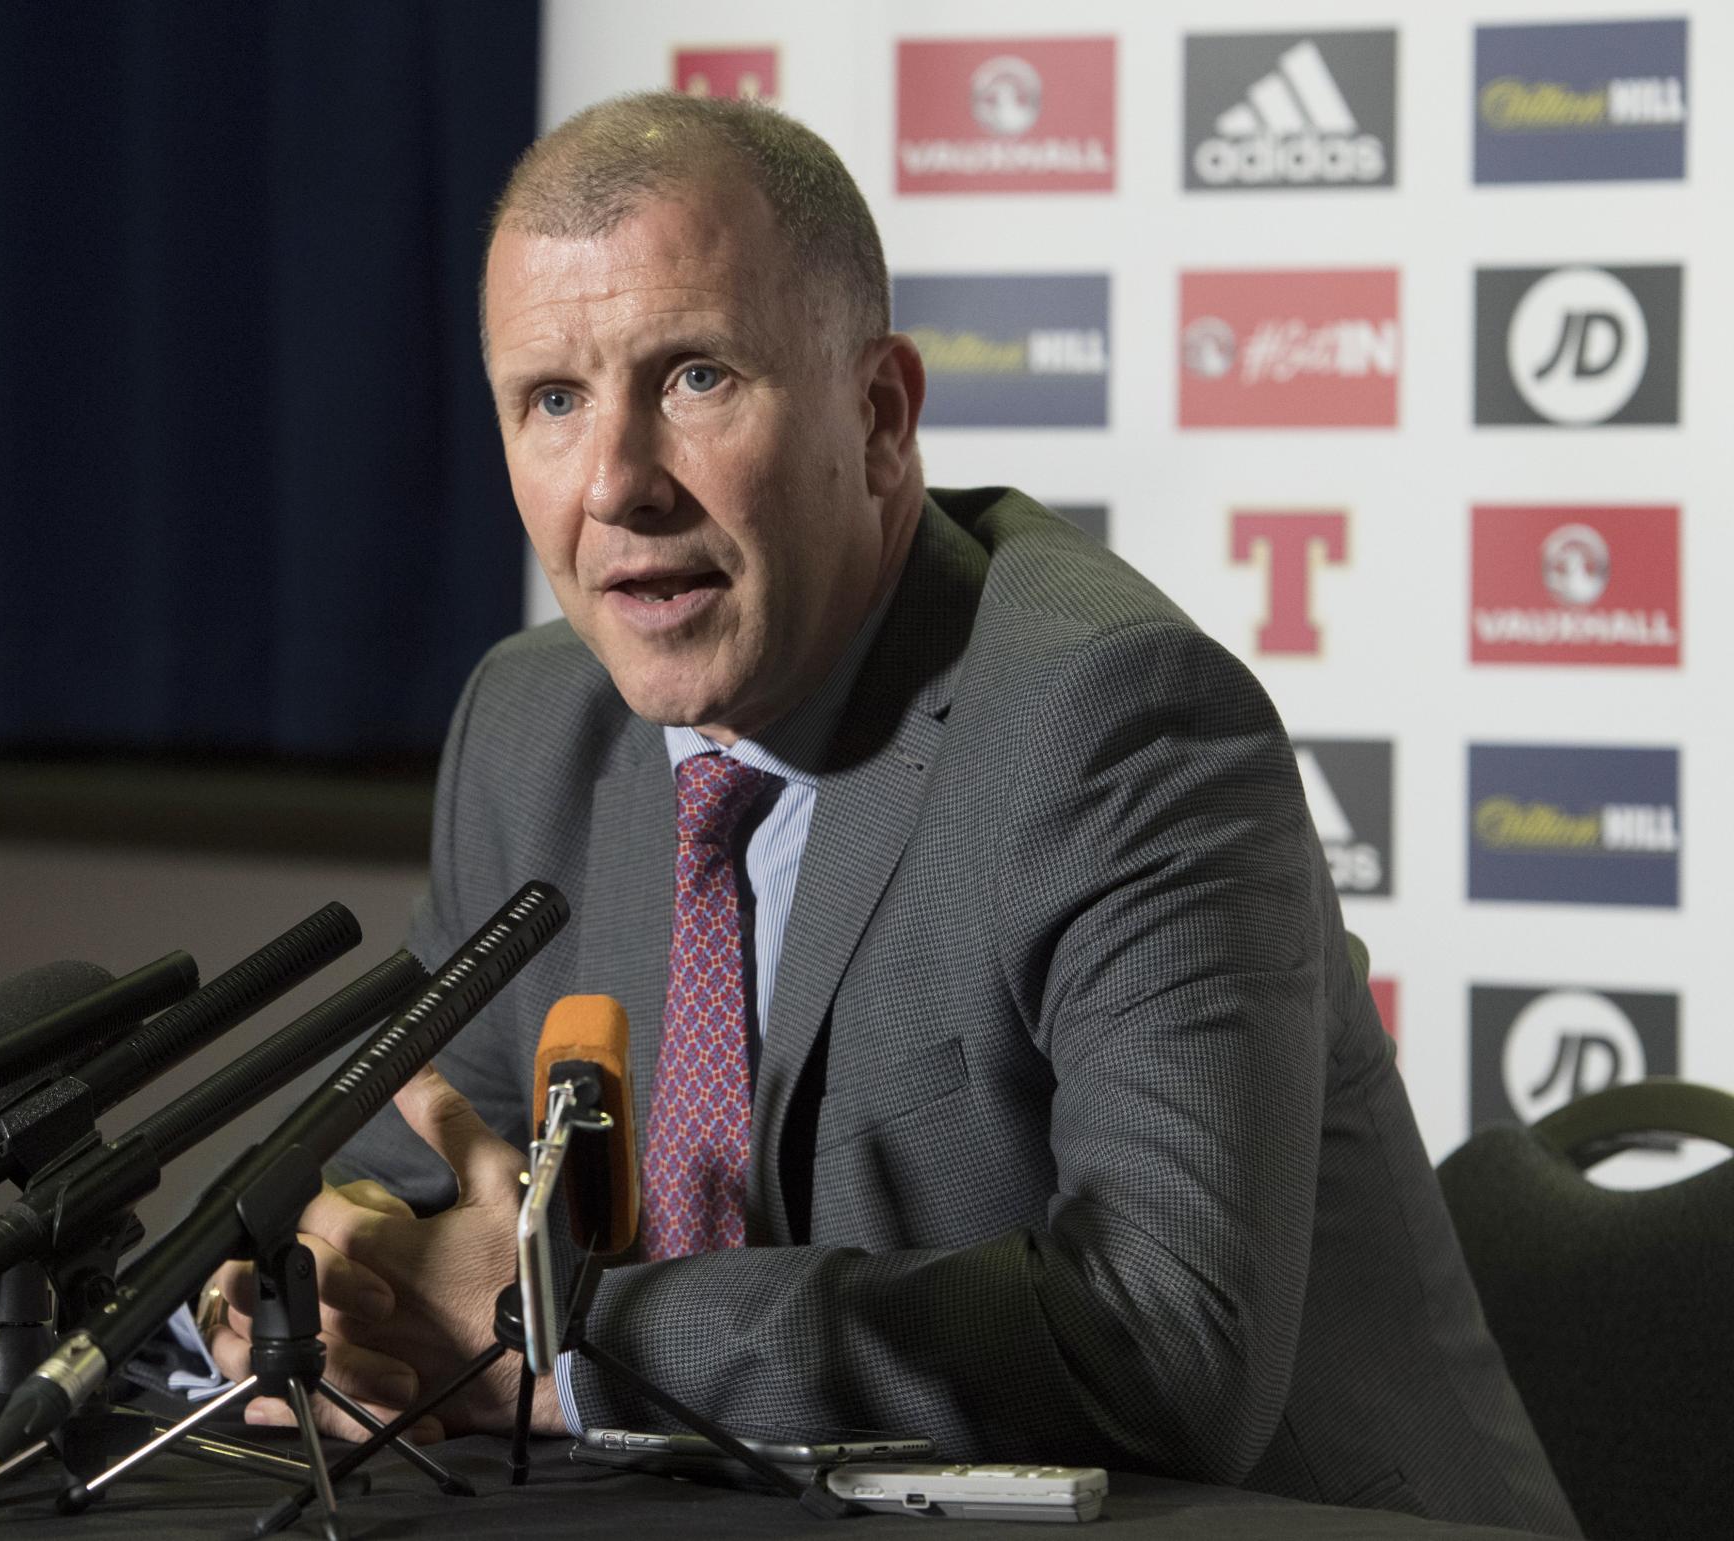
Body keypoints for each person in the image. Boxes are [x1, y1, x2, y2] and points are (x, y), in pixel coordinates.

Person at [201, 93, 1579, 1534]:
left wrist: (566, 1328)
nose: (614, 481)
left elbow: (1171, 1346)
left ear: (879, 417)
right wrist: (331, 1279)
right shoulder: (532, 728)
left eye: (694, 379)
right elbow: (427, 1186)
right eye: (551, 399)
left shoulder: (1118, 724)